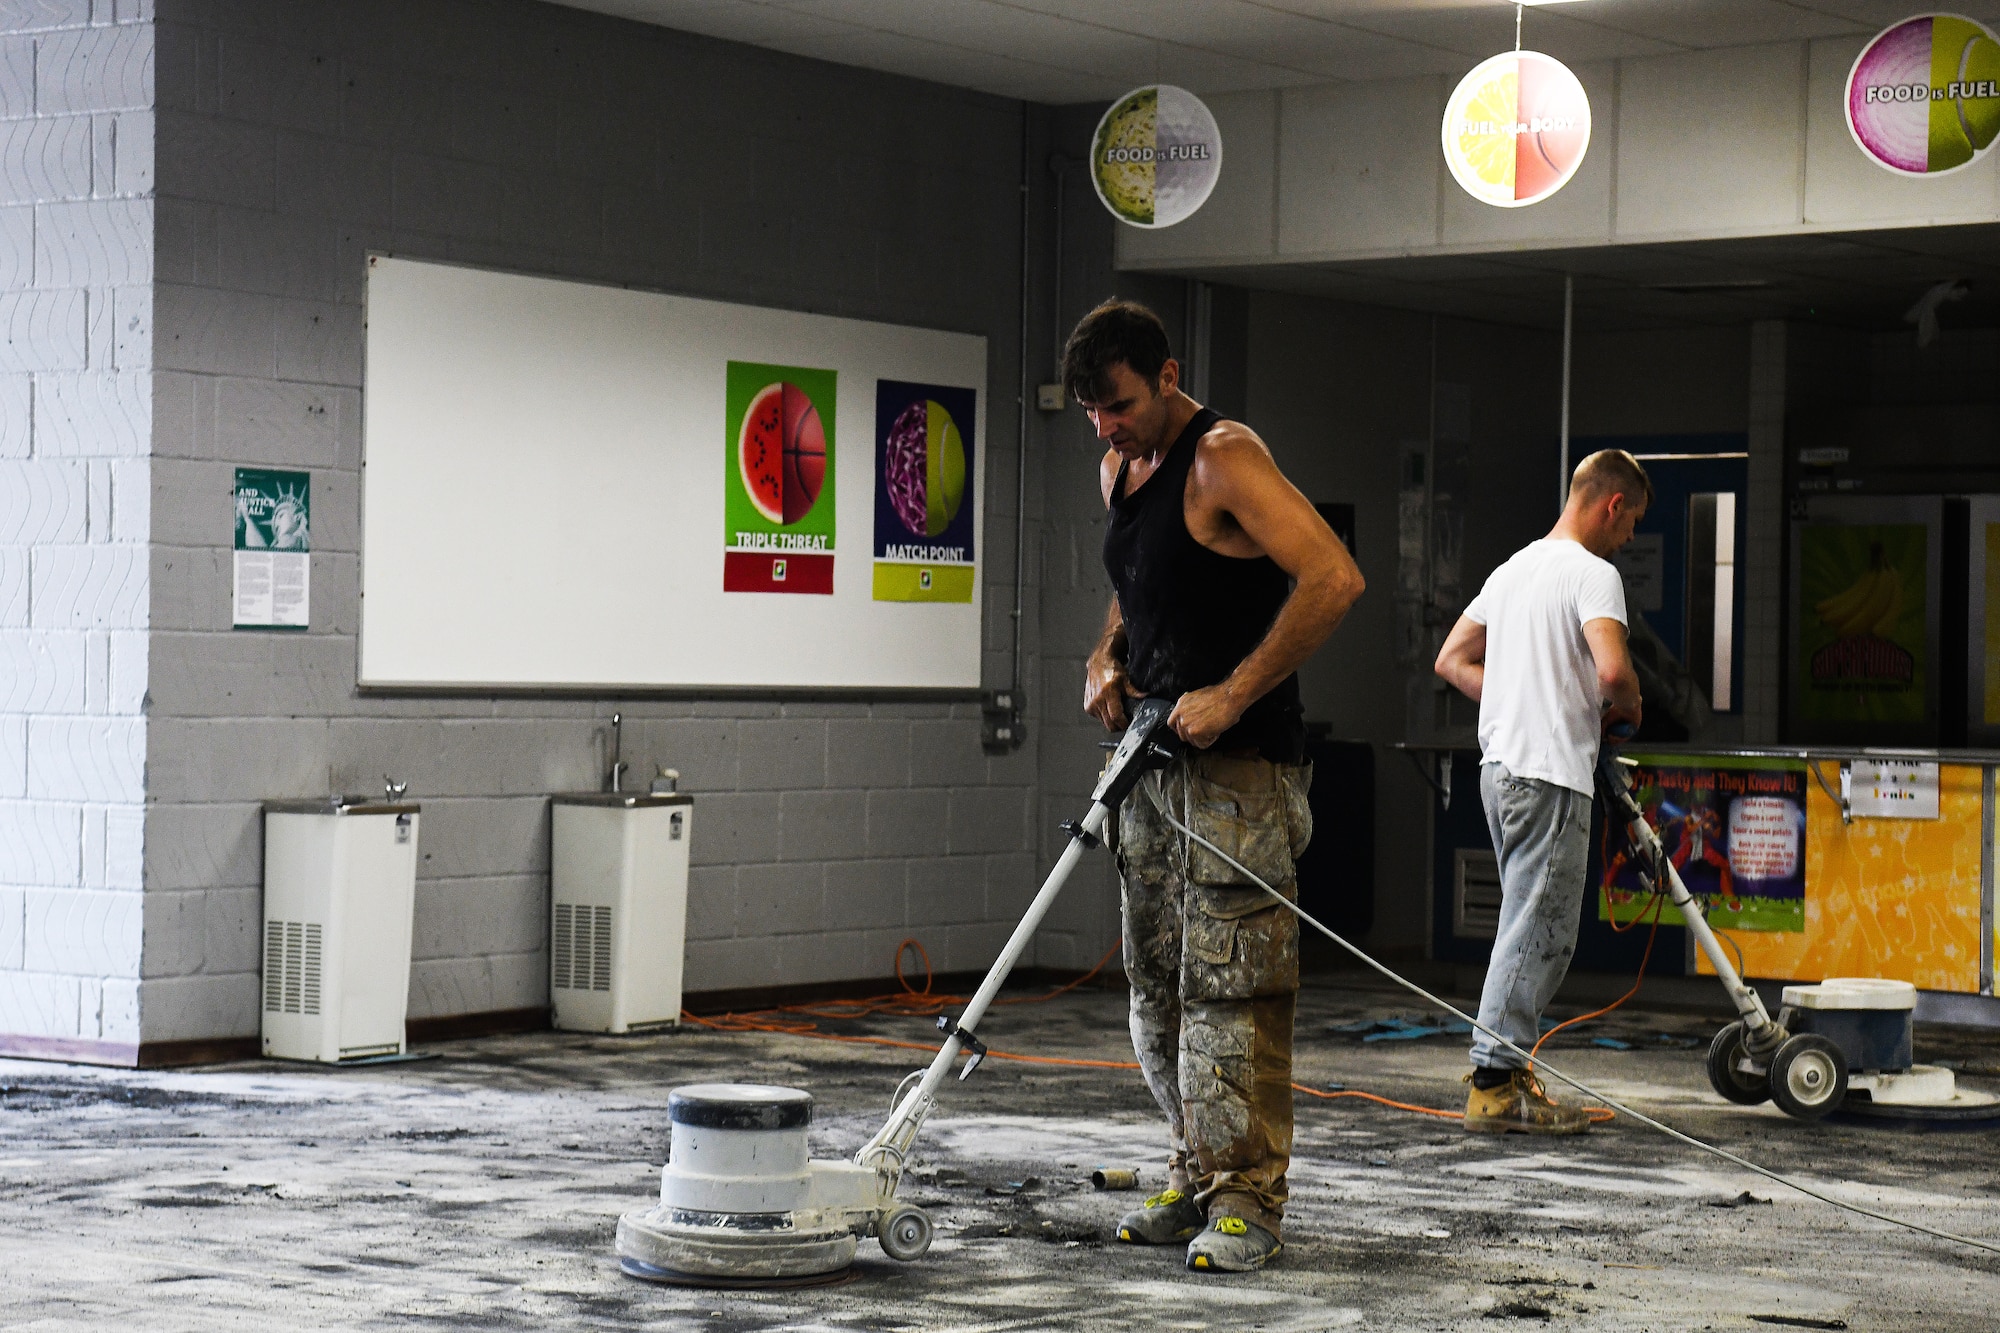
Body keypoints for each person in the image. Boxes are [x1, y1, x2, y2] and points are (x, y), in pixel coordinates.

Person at [1070, 299, 1365, 1272]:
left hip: (1240, 775)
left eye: (1119, 406)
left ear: (1167, 376)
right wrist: (1107, 654)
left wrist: (1233, 692)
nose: (1106, 429)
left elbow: (1332, 578)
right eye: (1092, 414)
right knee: (1155, 988)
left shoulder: (1223, 457)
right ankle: (1193, 1171)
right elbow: (1138, 584)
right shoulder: (1120, 468)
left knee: (1232, 988)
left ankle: (1247, 1200)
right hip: (1151, 766)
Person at [1432, 449, 1649, 1134]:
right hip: (1550, 773)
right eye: (1633, 522)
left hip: (1500, 771)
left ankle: (1503, 1071)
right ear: (1613, 504)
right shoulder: (1593, 574)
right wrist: (1630, 705)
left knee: (1521, 923)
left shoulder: (1511, 570)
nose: (1630, 537)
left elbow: (1451, 660)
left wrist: (1515, 694)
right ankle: (1495, 1083)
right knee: (1539, 932)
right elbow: (1611, 671)